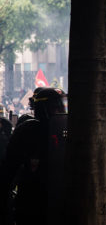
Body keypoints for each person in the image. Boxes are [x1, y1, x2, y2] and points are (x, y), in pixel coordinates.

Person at [0, 87, 67, 225]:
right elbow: (10, 168)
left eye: (63, 107)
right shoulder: (28, 131)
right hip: (33, 200)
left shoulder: (66, 131)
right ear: (44, 109)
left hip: (59, 198)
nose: (62, 112)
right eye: (57, 108)